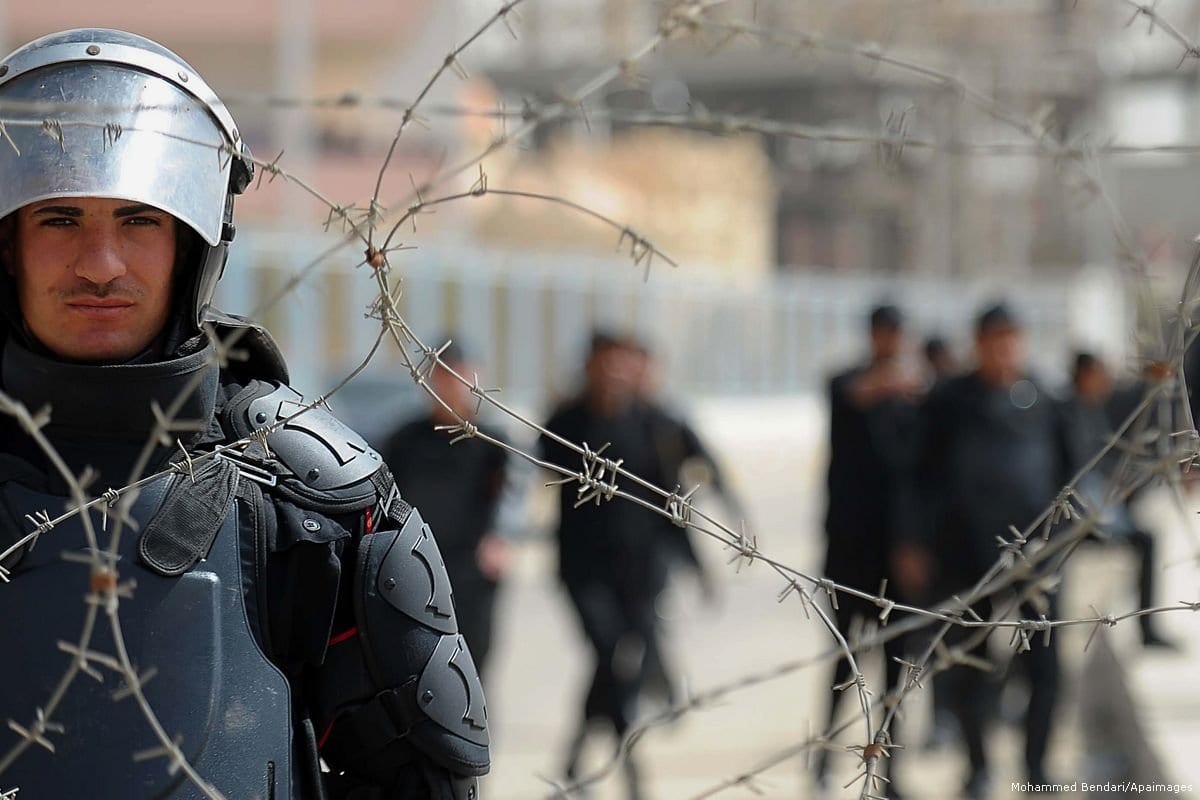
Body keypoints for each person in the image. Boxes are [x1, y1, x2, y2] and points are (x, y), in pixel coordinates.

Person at [0, 30, 488, 799]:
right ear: (9, 246)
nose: (100, 264)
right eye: (59, 220)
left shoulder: (309, 497)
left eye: (139, 221)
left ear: (194, 244)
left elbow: (421, 782)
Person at [894, 303, 1069, 799]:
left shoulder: (1044, 399)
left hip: (1036, 557)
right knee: (965, 661)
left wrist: (1067, 537)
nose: (1003, 348)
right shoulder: (949, 402)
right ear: (978, 343)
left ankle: (1035, 768)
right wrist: (911, 541)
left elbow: (1072, 474)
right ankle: (977, 766)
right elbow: (917, 478)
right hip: (964, 552)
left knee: (1045, 665)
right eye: (993, 338)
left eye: (1011, 337)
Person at [539, 331, 671, 800]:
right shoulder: (567, 420)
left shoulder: (650, 421)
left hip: (638, 574)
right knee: (608, 652)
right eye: (606, 364)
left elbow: (667, 495)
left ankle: (574, 762)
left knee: (611, 664)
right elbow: (544, 465)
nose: (615, 374)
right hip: (584, 570)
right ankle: (630, 768)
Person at [816, 304, 922, 799]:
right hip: (849, 550)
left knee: (898, 667)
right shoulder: (847, 385)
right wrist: (898, 384)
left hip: (897, 551)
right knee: (846, 659)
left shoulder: (913, 399)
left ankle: (888, 771)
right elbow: (852, 393)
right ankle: (823, 758)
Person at [377, 341, 513, 679]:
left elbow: (511, 496)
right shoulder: (405, 439)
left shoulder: (492, 441)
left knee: (474, 654)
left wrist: (499, 538)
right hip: (417, 562)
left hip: (472, 563)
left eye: (457, 376)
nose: (448, 386)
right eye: (440, 377)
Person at [1066, 353, 1177, 649]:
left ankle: (1147, 627)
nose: (1106, 382)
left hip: (1100, 503)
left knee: (1146, 537)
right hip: (1075, 514)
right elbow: (1078, 469)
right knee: (1143, 539)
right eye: (1099, 375)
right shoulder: (1068, 413)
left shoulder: (1096, 410)